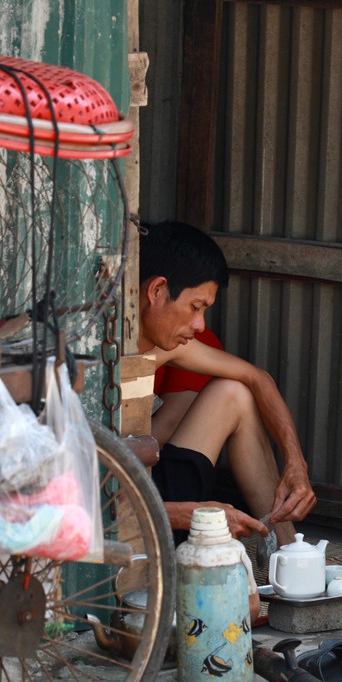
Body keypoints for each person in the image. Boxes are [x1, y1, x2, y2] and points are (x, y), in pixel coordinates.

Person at [138, 221, 315, 552]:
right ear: (157, 290)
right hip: (118, 518)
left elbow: (257, 378)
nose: (200, 324)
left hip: (157, 497)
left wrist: (295, 463)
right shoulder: (93, 350)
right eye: (195, 307)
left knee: (235, 393)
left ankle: (288, 552)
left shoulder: (167, 346)